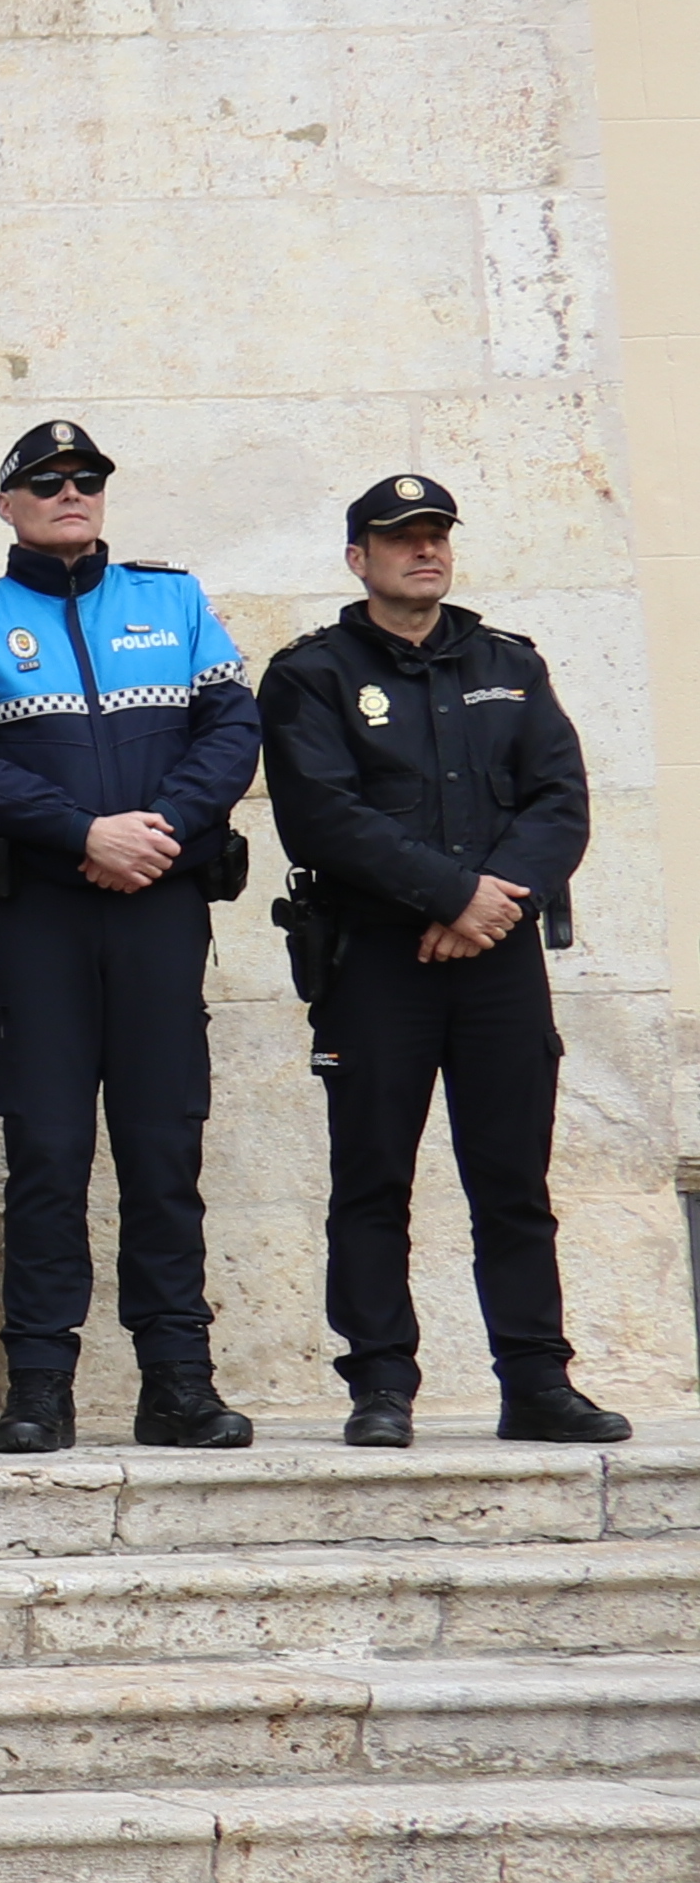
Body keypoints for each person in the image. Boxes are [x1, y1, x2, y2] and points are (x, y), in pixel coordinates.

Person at [0, 420, 265, 1454]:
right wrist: (83, 834)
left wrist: (154, 832)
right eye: (49, 482)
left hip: (159, 898)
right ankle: (39, 1384)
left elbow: (233, 728)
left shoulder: (172, 597)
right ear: (9, 504)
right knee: (49, 1151)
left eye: (88, 480)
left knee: (164, 1147)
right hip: (41, 912)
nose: (73, 493)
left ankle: (178, 1382)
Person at [262, 472, 633, 1450]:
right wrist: (450, 895)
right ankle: (381, 1383)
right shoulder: (314, 676)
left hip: (498, 957)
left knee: (512, 1180)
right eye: (400, 537)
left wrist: (487, 903)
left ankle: (537, 1380)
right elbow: (323, 817)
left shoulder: (510, 663)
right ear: (359, 558)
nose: (423, 550)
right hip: (377, 961)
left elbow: (560, 798)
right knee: (372, 1177)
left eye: (435, 535)